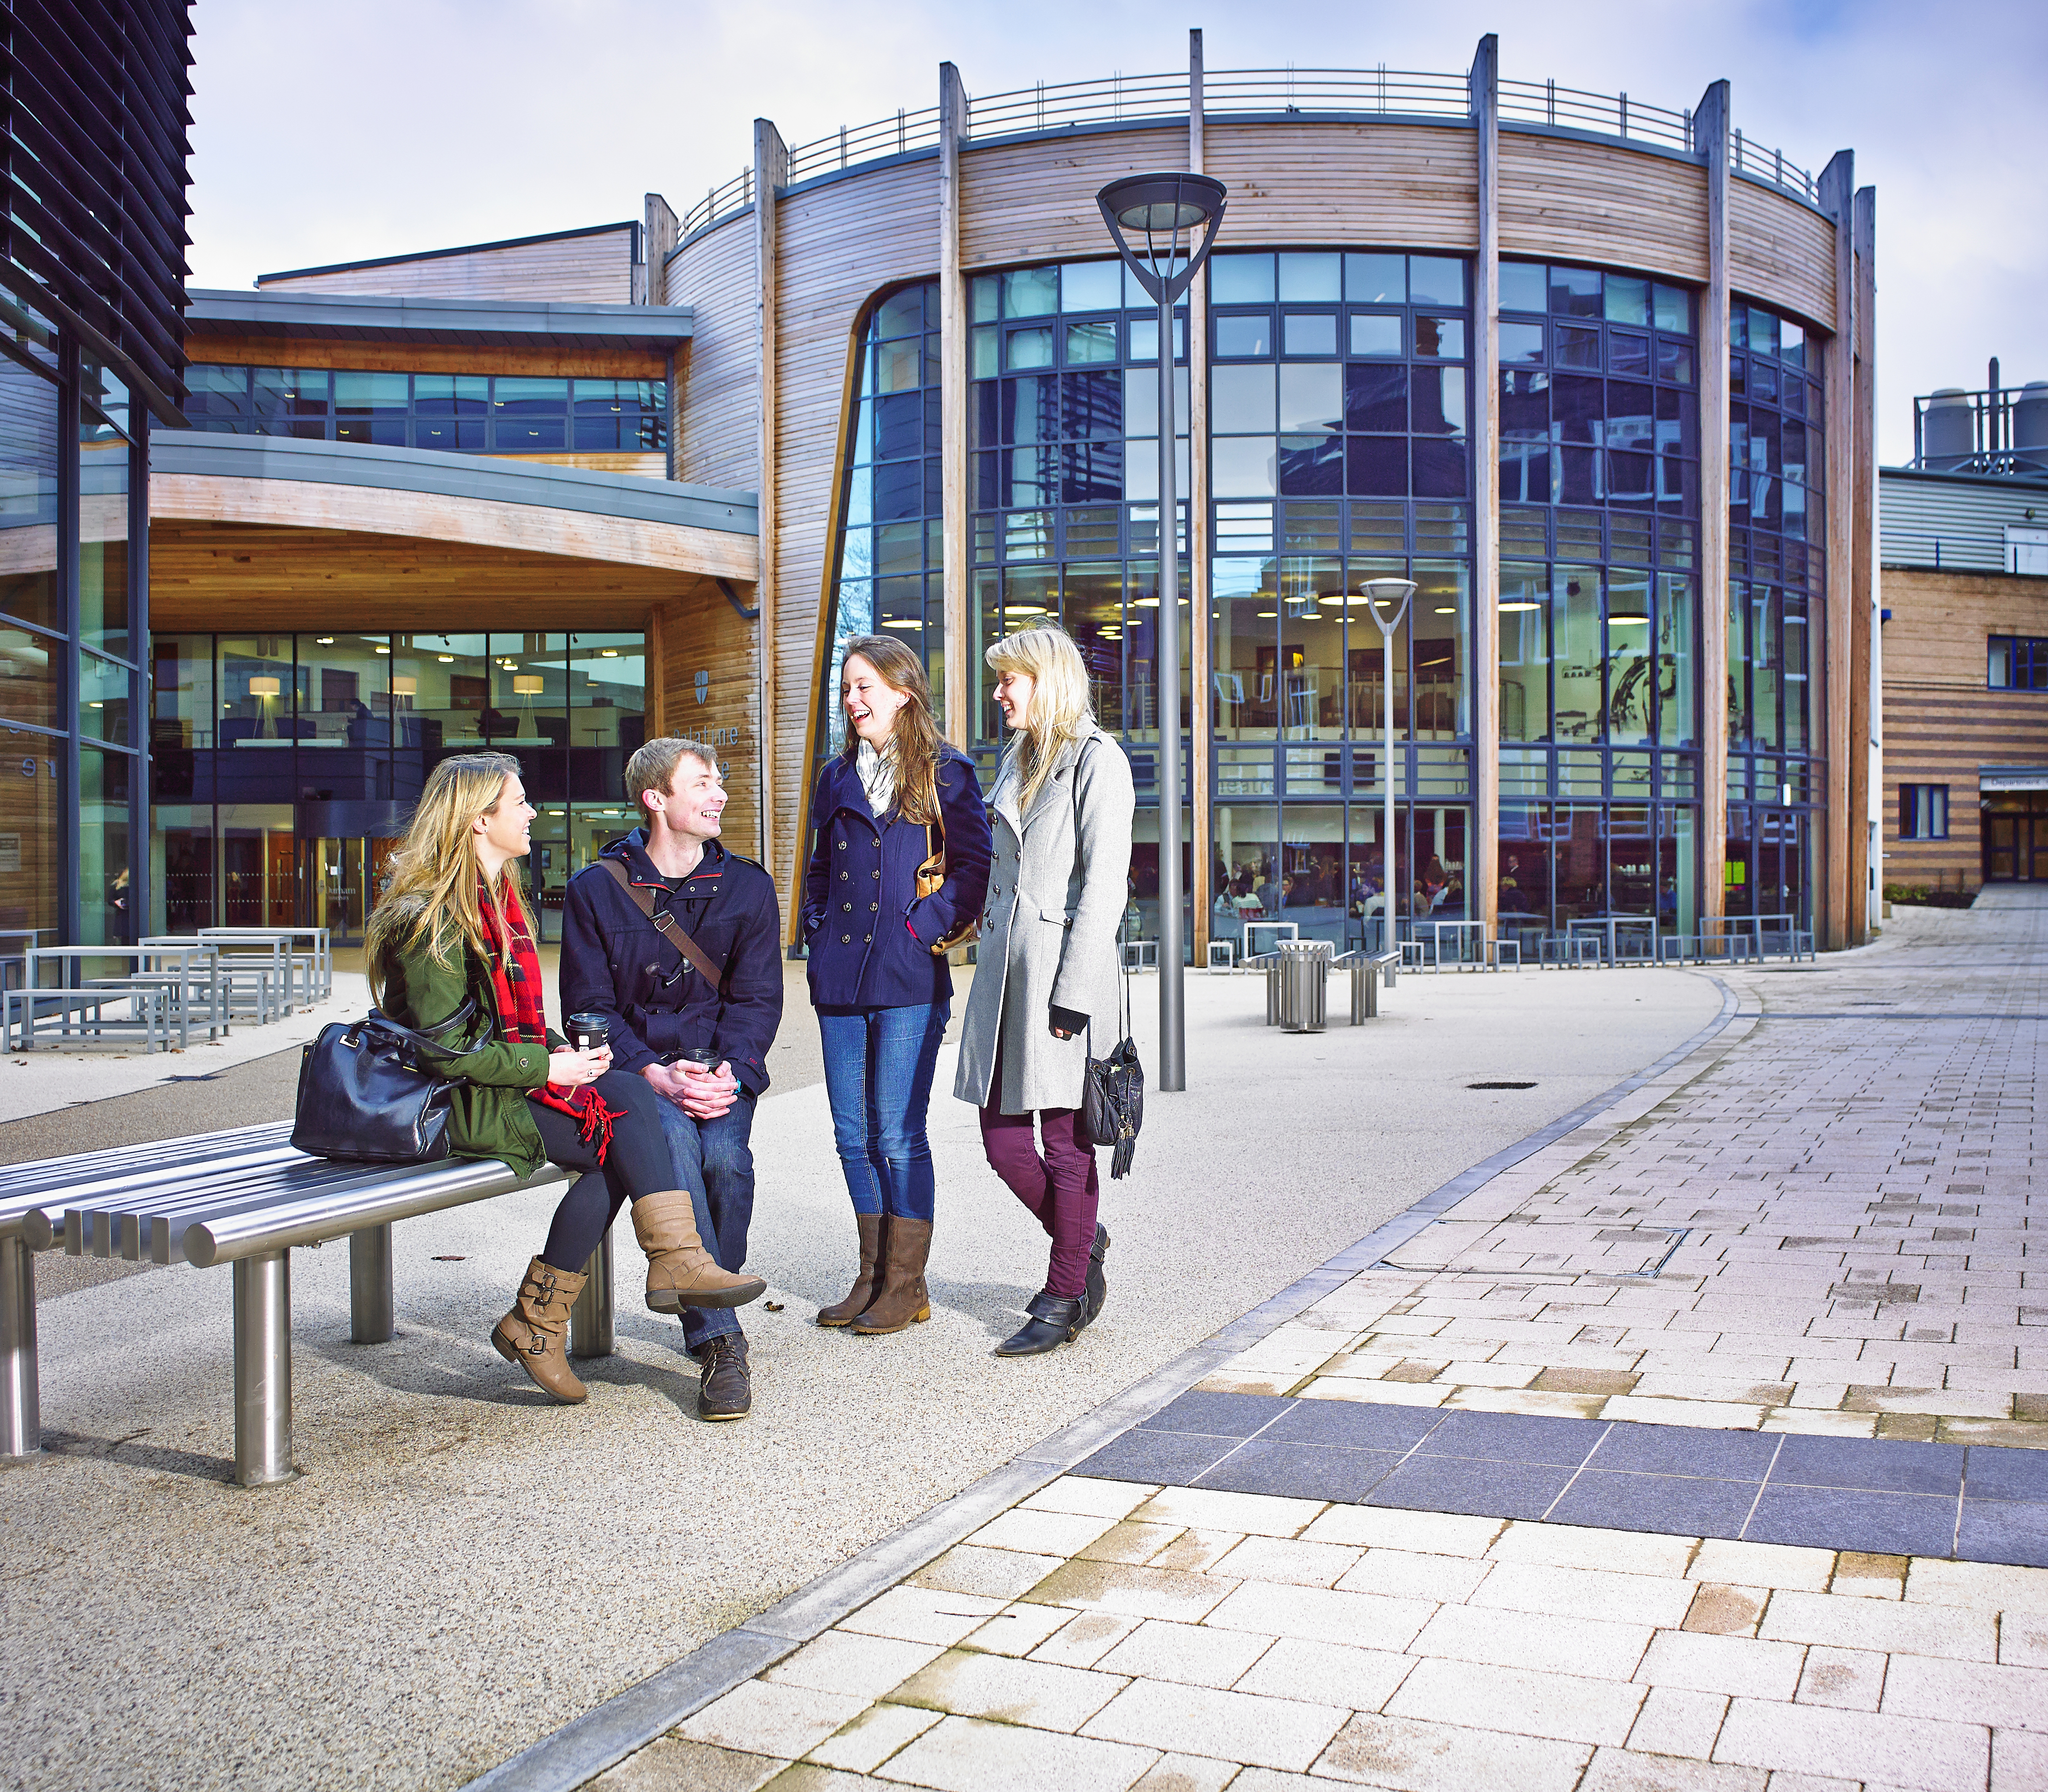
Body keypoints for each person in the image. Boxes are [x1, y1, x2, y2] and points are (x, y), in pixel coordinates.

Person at [363, 752, 764, 1408]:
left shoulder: (499, 899)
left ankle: (564, 1310)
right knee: (625, 1134)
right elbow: (445, 1054)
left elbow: (509, 1025)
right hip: (450, 1101)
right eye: (519, 802)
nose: (532, 812)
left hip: (498, 1079)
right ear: (475, 821)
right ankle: (589, 1298)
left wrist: (565, 1055)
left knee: (626, 1111)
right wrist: (549, 1066)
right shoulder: (428, 916)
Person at [560, 738, 782, 1421]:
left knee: (726, 1161)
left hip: (718, 1068)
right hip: (635, 1076)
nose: (720, 795)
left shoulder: (747, 885)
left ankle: (708, 1305)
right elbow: (588, 1009)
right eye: (703, 784)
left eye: (719, 783)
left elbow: (757, 1000)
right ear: (656, 799)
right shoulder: (596, 888)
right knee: (681, 1153)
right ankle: (721, 1342)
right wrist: (653, 1074)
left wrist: (728, 1073)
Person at [801, 636, 991, 1336]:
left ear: (904, 691)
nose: (853, 700)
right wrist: (819, 928)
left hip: (911, 975)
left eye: (865, 687)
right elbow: (820, 867)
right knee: (852, 1135)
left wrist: (922, 927)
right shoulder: (834, 776)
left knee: (897, 1133)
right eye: (847, 689)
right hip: (841, 978)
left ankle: (908, 1284)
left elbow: (975, 870)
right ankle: (872, 1275)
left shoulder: (948, 772)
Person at [954, 625, 1136, 1356]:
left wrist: (1075, 992)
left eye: (1011, 679)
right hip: (1004, 974)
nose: (999, 692)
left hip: (1060, 976)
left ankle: (1064, 1295)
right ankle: (1084, 1237)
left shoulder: (1099, 761)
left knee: (1064, 1142)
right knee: (1003, 1141)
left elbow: (1105, 887)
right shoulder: (1019, 757)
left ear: (1049, 679)